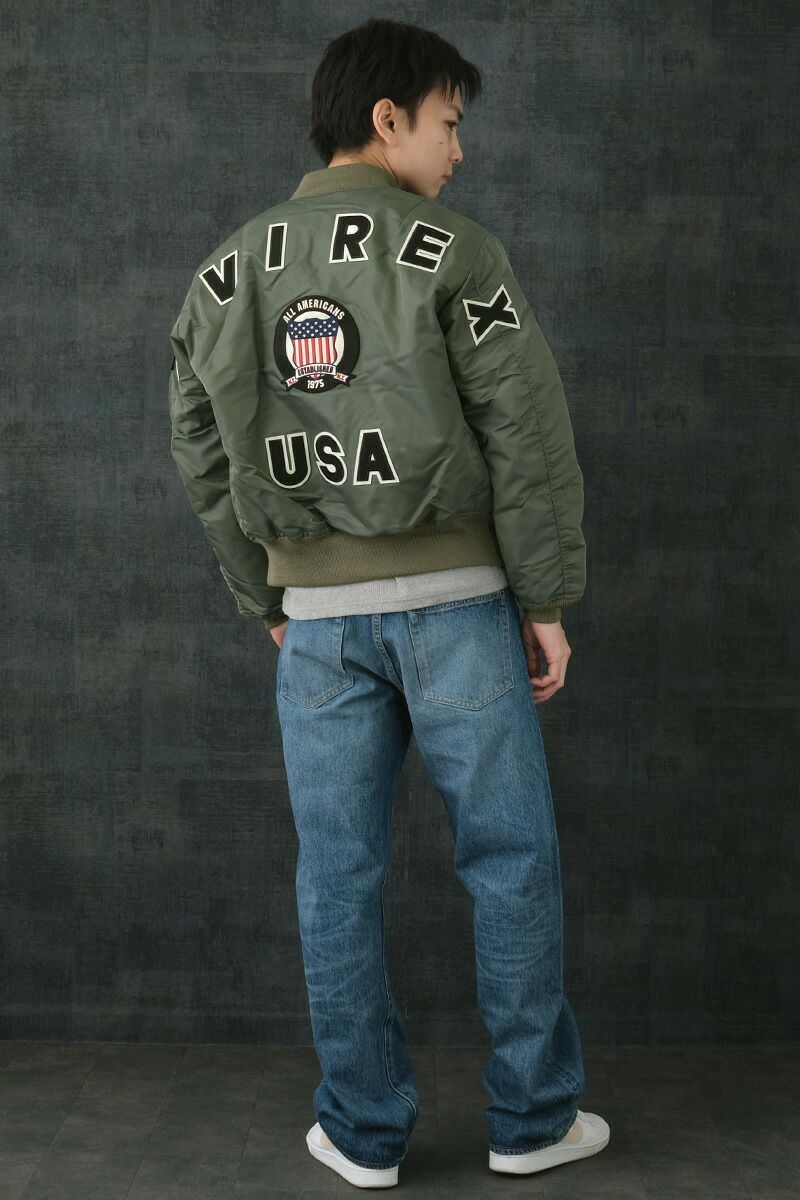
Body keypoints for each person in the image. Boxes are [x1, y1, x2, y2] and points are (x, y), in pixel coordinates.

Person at [168, 16, 609, 1190]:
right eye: (448, 123)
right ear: (387, 117)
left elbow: (199, 450)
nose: (458, 150)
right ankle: (532, 1121)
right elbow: (523, 429)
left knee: (336, 875)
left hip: (317, 627)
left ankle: (362, 1134)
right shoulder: (456, 251)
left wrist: (265, 590)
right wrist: (545, 596)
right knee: (507, 858)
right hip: (460, 607)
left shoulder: (224, 272)